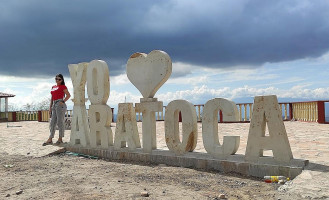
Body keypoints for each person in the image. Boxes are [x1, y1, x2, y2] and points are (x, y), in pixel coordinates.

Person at [43, 74, 71, 146]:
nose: (57, 80)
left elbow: (68, 95)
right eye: (56, 79)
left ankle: (60, 138)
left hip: (60, 103)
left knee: (60, 121)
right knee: (52, 122)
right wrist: (50, 107)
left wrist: (63, 101)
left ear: (62, 80)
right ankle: (50, 138)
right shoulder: (53, 87)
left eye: (59, 79)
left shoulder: (63, 86)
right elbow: (52, 97)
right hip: (54, 104)